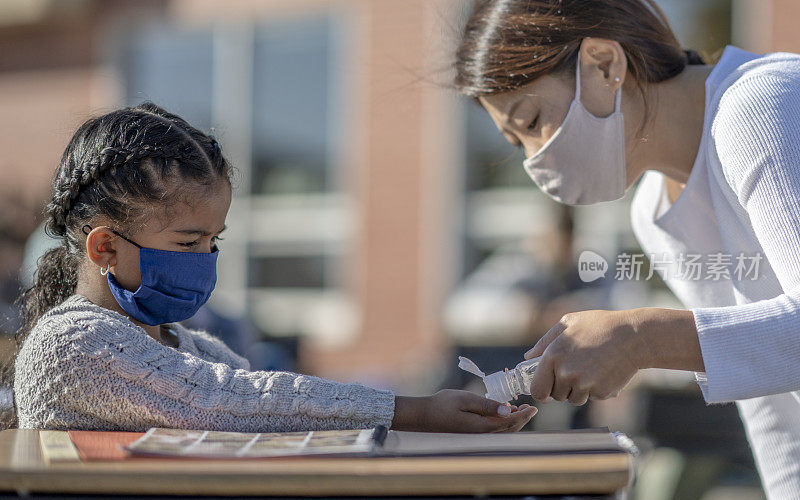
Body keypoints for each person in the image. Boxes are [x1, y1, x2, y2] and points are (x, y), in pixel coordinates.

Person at [454, 0, 800, 500]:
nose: (533, 160)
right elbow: (773, 406)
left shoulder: (761, 106)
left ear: (604, 65)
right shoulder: (654, 212)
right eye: (514, 142)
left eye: (531, 120)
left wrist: (641, 337)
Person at [12, 102, 537, 434]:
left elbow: (275, 399)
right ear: (104, 248)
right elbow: (227, 401)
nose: (206, 261)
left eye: (214, 240)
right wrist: (415, 411)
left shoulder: (193, 346)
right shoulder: (70, 345)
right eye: (188, 242)